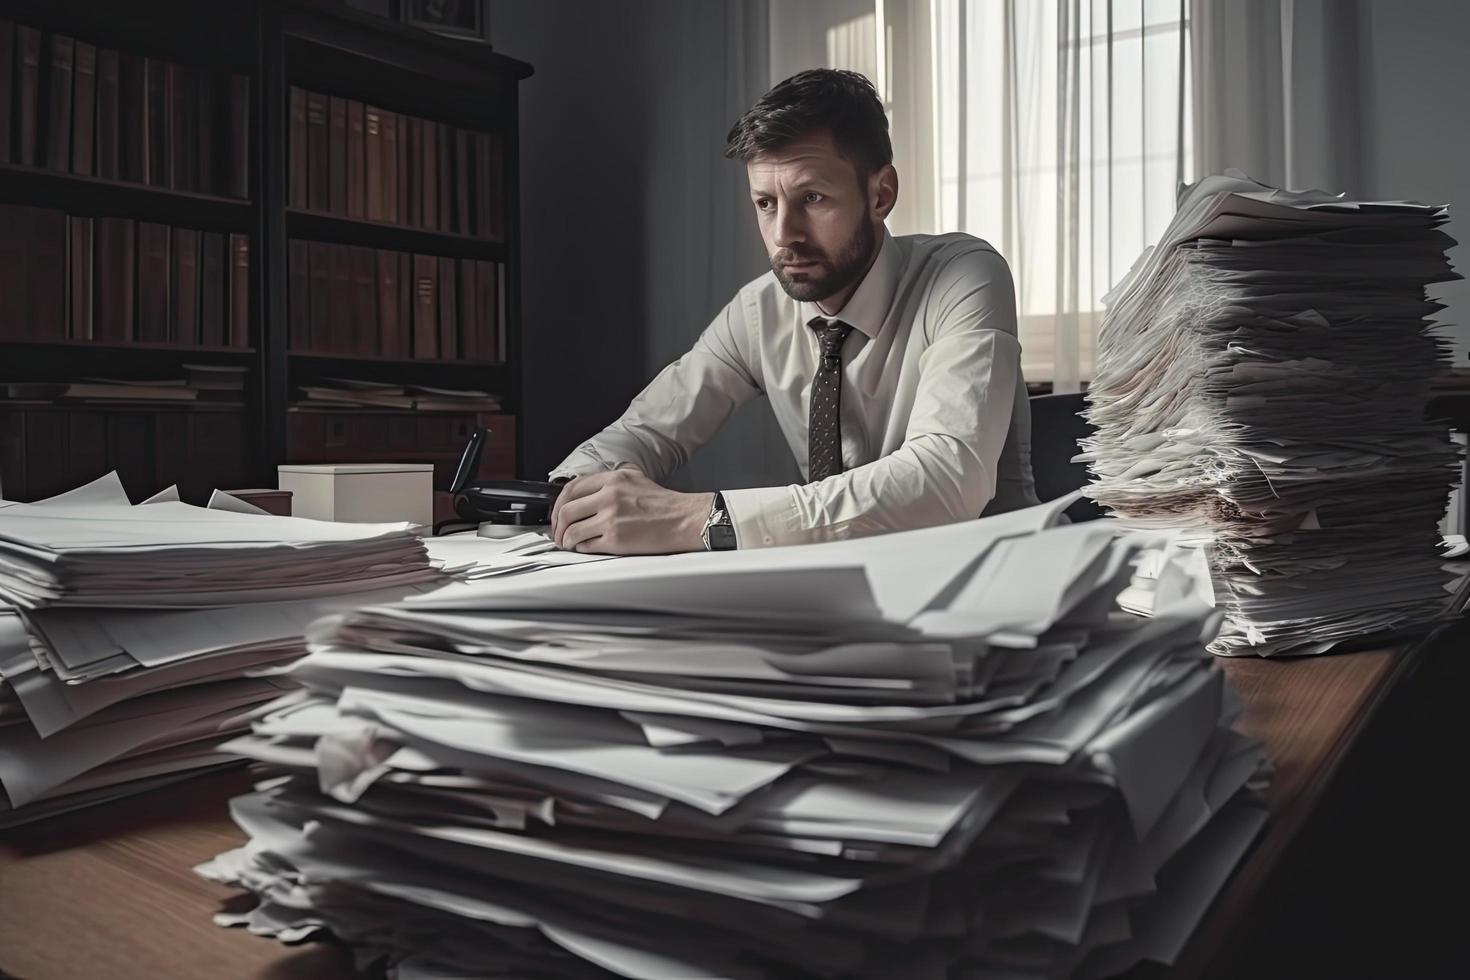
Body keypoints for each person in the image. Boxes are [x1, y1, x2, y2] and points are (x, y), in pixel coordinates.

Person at [548, 68, 1036, 554]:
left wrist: (706, 519)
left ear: (881, 194)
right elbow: (646, 431)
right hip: (841, 593)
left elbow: (948, 479)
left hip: (991, 582)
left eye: (813, 198)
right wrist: (572, 494)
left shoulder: (965, 276)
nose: (785, 234)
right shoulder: (759, 312)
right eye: (765, 203)